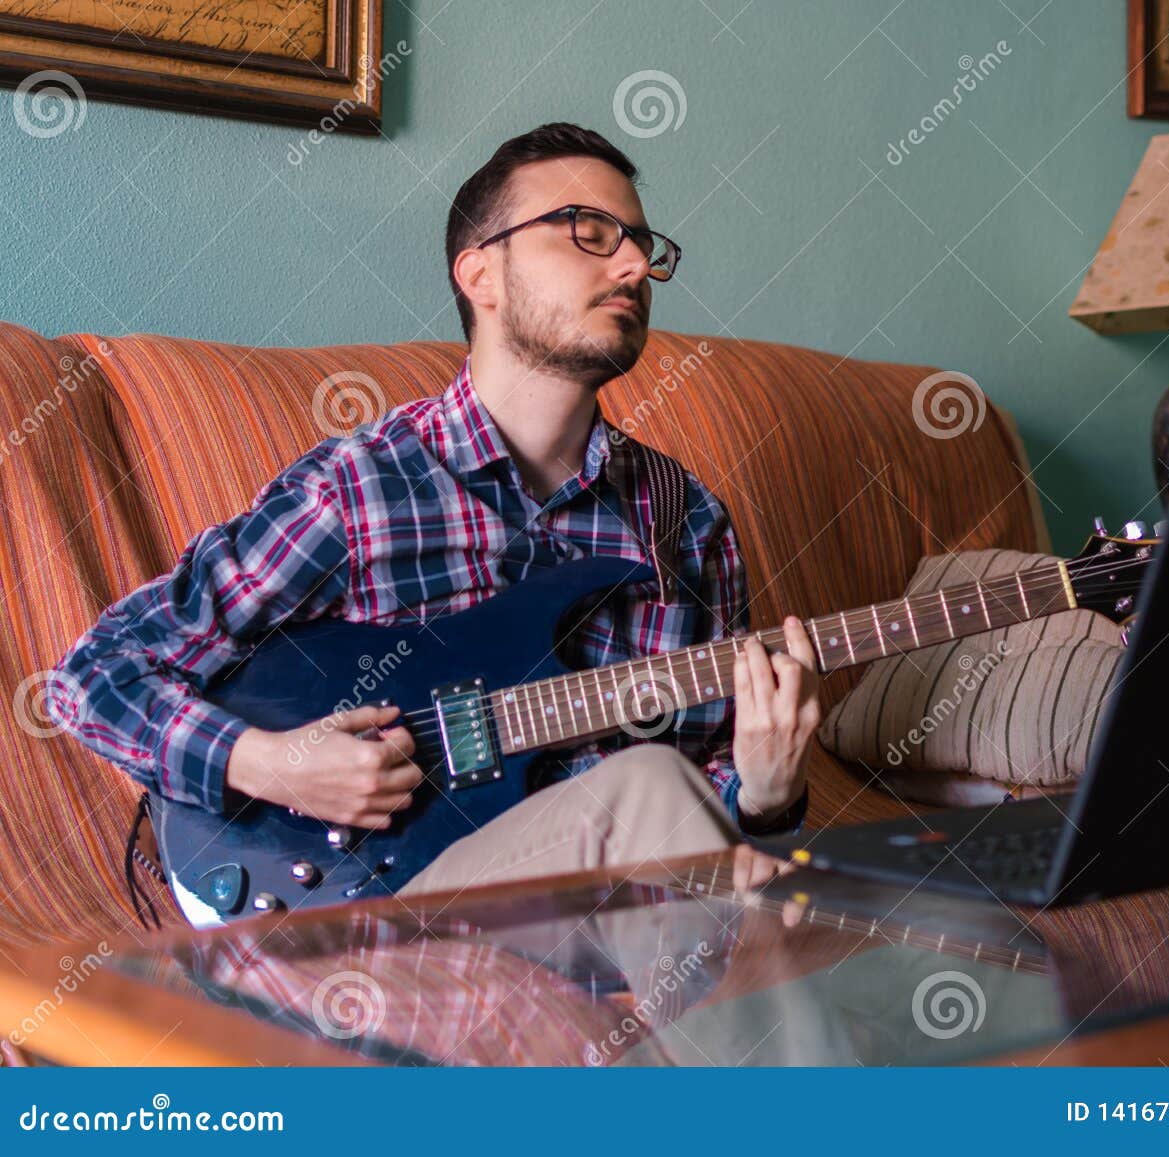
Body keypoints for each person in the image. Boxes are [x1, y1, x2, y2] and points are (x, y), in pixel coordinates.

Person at [46, 123, 818, 927]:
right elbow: (95, 675)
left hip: (613, 912)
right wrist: (277, 765)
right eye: (590, 232)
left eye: (642, 245)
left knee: (780, 894)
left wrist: (766, 796)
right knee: (652, 787)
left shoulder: (686, 522)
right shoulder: (364, 489)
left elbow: (715, 808)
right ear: (481, 272)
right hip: (376, 904)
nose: (632, 265)